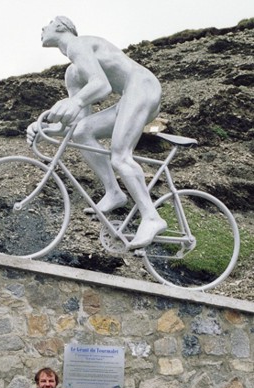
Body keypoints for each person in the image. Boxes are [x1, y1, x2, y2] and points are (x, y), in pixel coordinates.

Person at [27, 15, 167, 249]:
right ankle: (114, 192)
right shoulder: (72, 73)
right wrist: (43, 129)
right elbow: (75, 124)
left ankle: (152, 217)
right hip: (129, 97)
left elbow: (102, 85)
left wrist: (77, 101)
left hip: (142, 87)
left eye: (48, 23)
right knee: (83, 132)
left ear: (61, 27)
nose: (43, 27)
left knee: (121, 155)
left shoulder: (78, 45)